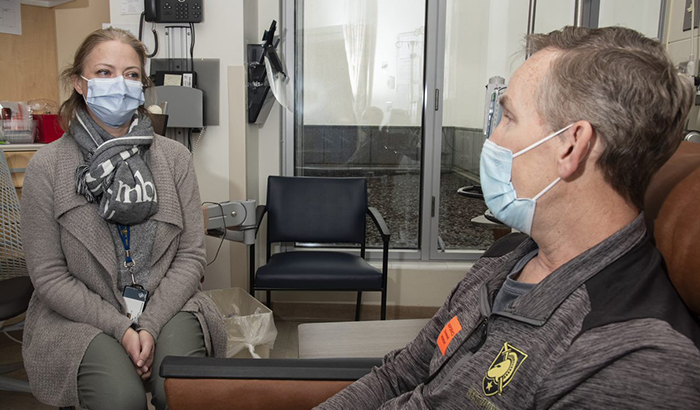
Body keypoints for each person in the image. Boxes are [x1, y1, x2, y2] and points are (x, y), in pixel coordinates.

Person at [316, 26, 700, 409]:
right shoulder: (509, 256)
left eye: (508, 118)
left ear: (572, 146)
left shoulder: (630, 365)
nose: (492, 141)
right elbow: (402, 373)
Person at [20, 28, 226, 410]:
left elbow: (191, 256)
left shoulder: (174, 158)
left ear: (142, 86)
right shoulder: (47, 167)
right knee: (122, 399)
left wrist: (148, 324)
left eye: (131, 75)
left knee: (181, 391)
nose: (119, 84)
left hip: (167, 303)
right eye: (103, 72)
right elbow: (48, 275)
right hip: (80, 314)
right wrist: (120, 329)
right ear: (79, 83)